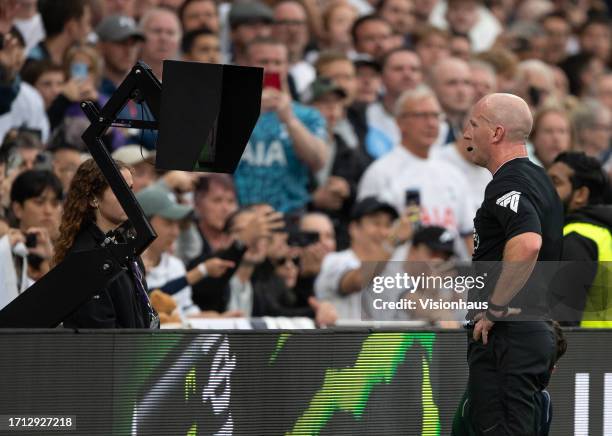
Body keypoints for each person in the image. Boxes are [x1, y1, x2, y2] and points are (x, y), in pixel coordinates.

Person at [461, 93, 563, 434]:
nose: (465, 134)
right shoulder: (540, 180)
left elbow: (528, 243)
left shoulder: (508, 183)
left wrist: (494, 309)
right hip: (530, 333)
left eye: (473, 124)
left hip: (509, 338)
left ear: (496, 133)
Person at [359, 85, 474, 258]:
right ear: (400, 122)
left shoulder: (453, 173)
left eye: (436, 116)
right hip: (396, 279)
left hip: (447, 278)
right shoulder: (380, 172)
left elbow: (468, 235)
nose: (431, 123)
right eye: (421, 116)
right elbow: (366, 237)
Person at [53, 158, 158, 328]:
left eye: (130, 189)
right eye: (120, 190)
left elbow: (143, 313)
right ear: (94, 198)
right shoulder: (86, 257)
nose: (129, 197)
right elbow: (99, 332)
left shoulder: (126, 246)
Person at [233, 38, 327, 213]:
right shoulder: (227, 110)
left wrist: (290, 121)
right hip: (238, 214)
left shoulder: (307, 115)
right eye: (263, 62)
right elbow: (206, 158)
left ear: (287, 66)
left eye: (278, 62)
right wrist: (249, 112)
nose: (271, 69)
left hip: (290, 214)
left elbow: (318, 161)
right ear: (246, 64)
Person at [547, 151, 612, 327]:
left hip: (589, 352)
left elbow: (562, 325)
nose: (544, 190)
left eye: (555, 182)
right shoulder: (602, 233)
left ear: (581, 194)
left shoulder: (575, 240)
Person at [315, 196, 398, 321]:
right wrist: (393, 242)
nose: (383, 232)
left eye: (388, 225)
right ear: (353, 228)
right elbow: (358, 280)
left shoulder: (391, 269)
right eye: (376, 223)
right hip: (342, 340)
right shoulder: (335, 260)